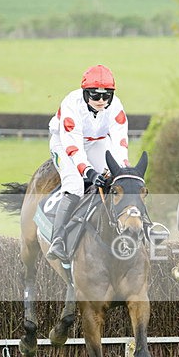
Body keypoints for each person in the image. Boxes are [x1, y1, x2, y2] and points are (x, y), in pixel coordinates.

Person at [46, 64, 136, 262]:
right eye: (95, 96)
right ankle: (58, 238)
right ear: (86, 93)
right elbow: (74, 147)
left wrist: (123, 169)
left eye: (106, 96)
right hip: (65, 142)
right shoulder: (72, 103)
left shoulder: (116, 106)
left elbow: (120, 142)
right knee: (75, 185)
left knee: (114, 179)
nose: (101, 101)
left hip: (97, 142)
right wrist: (89, 172)